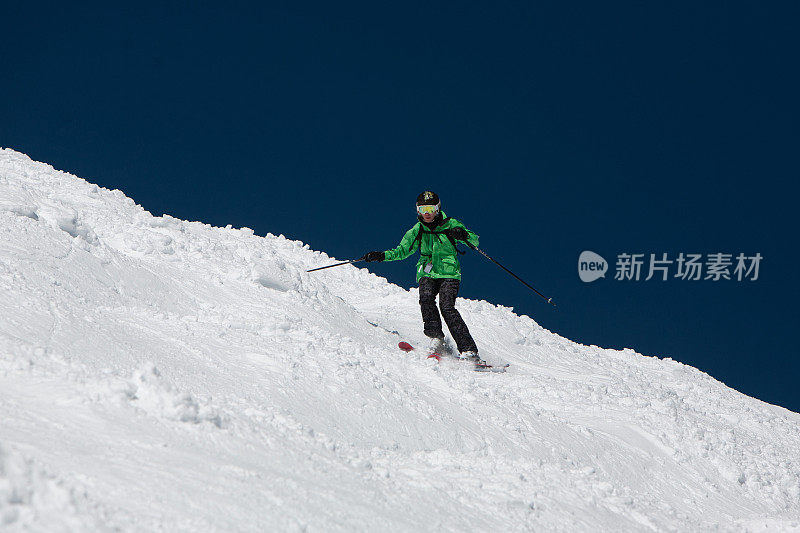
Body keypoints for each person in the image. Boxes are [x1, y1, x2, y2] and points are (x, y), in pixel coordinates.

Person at [364, 191, 483, 364]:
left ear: (438, 208)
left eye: (431, 208)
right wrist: (381, 255)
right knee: (426, 298)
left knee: (447, 307)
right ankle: (436, 339)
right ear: (417, 210)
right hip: (427, 271)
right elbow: (402, 251)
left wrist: (462, 235)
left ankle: (469, 350)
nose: (427, 212)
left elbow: (474, 241)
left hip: (449, 273)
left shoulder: (450, 224)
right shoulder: (418, 230)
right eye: (422, 208)